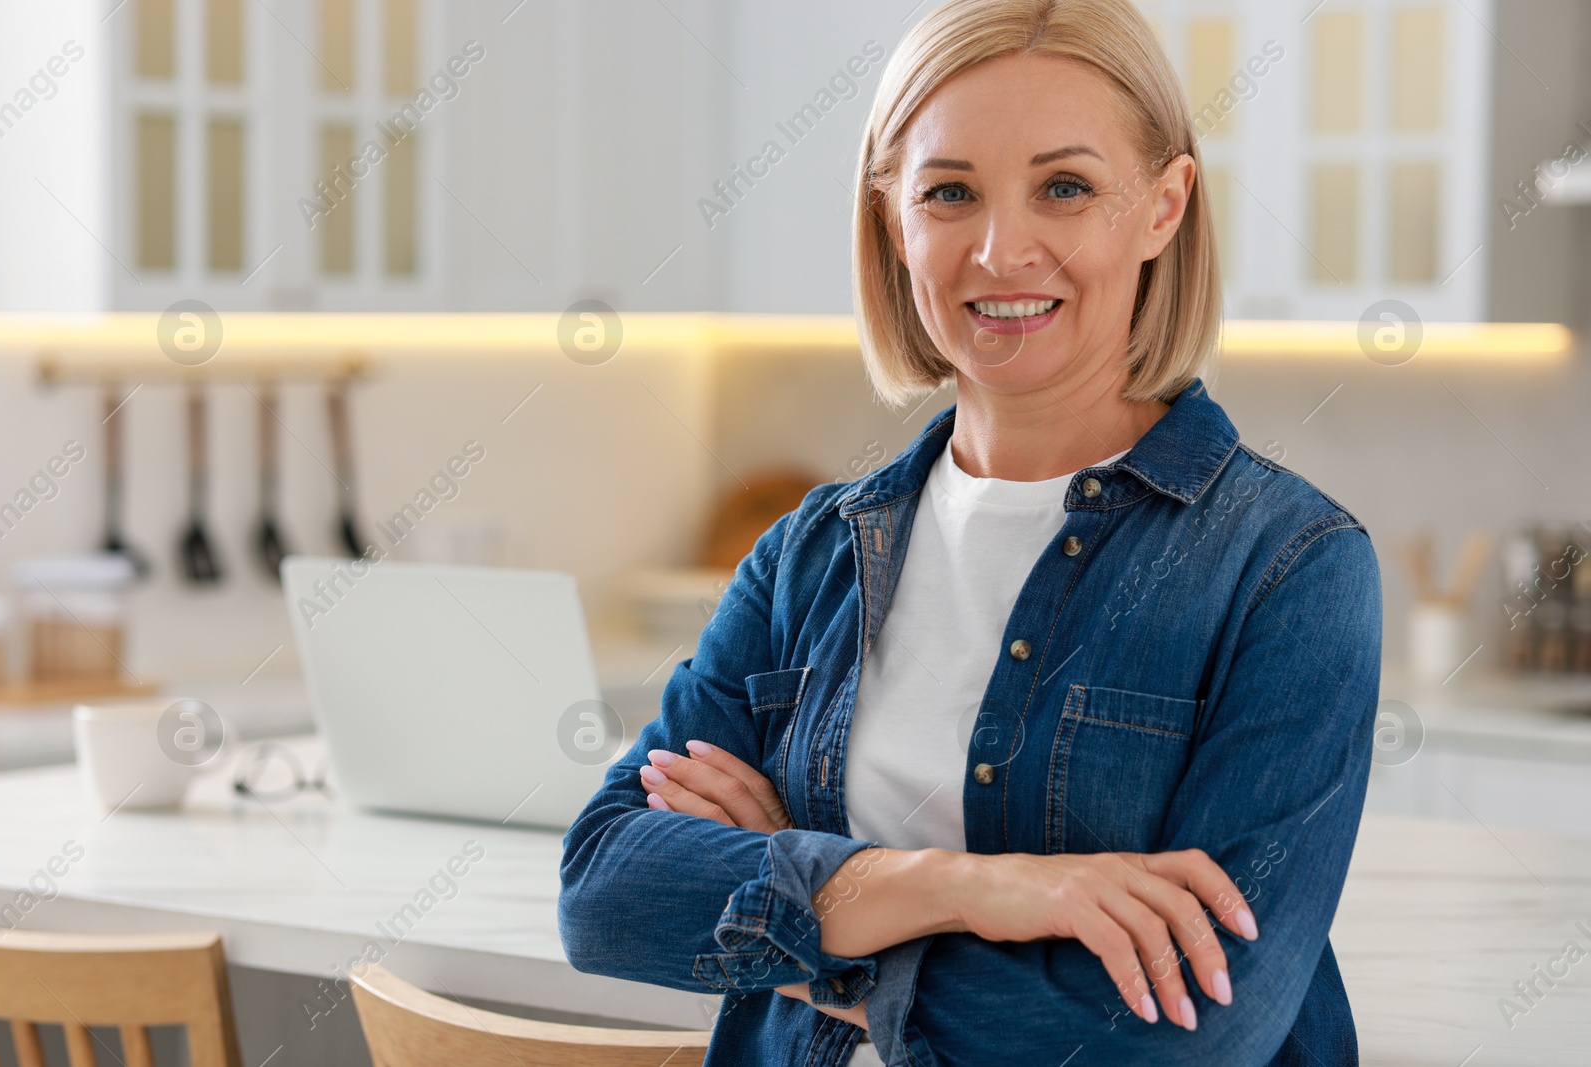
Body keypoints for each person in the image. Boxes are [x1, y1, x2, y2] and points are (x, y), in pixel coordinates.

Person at [560, 1, 1381, 1063]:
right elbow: (606, 889)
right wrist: (970, 886)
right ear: (893, 219)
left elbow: (1184, 1036)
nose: (1000, 250)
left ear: (1163, 207)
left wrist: (804, 902)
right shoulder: (809, 555)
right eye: (949, 192)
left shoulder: (1287, 567)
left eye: (1066, 187)